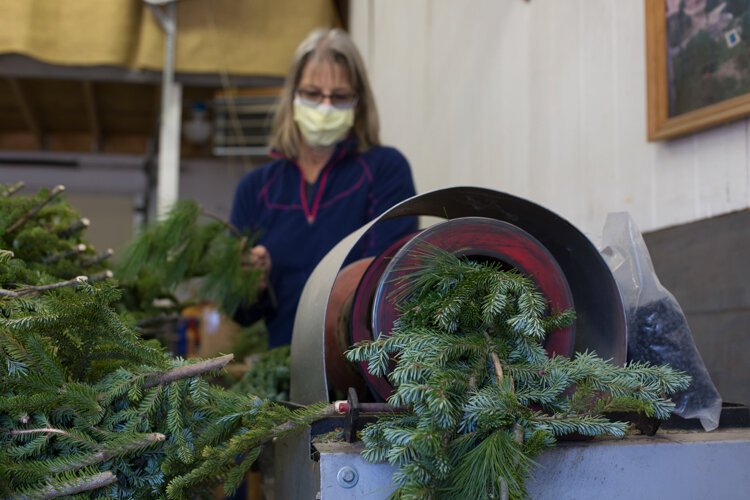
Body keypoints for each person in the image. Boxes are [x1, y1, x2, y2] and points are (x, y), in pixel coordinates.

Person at [230, 28, 418, 348]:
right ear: (293, 97)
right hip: (284, 371)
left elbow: (393, 282)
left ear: (359, 103)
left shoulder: (384, 171)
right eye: (313, 93)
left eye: (340, 96)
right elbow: (238, 310)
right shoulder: (256, 189)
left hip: (363, 366)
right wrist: (252, 283)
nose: (325, 106)